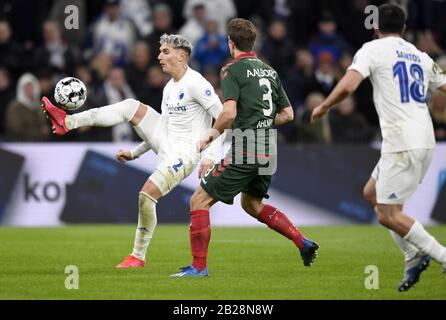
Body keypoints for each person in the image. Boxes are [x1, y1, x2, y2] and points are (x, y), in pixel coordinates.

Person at [41, 34, 224, 268]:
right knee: (130, 106)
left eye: (165, 52)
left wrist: (209, 156)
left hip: (185, 153)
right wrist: (134, 153)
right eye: (160, 51)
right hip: (167, 140)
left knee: (146, 196)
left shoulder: (197, 83)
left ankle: (138, 256)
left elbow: (224, 119)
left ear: (182, 55)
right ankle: (67, 122)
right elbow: (159, 131)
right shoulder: (170, 88)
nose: (159, 56)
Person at [311, 3, 446, 292]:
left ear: (375, 27)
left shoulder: (372, 50)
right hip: (424, 138)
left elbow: (348, 86)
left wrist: (324, 106)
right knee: (371, 193)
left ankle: (441, 256)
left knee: (388, 214)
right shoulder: (420, 55)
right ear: (404, 29)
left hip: (401, 141)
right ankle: (412, 254)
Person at [170, 18, 319, 278]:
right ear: (253, 43)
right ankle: (302, 242)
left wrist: (210, 135)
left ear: (231, 43)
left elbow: (228, 113)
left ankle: (199, 267)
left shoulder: (231, 70)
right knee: (251, 204)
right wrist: (260, 121)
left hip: (246, 147)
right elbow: (288, 114)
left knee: (198, 200)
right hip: (268, 149)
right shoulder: (269, 71)